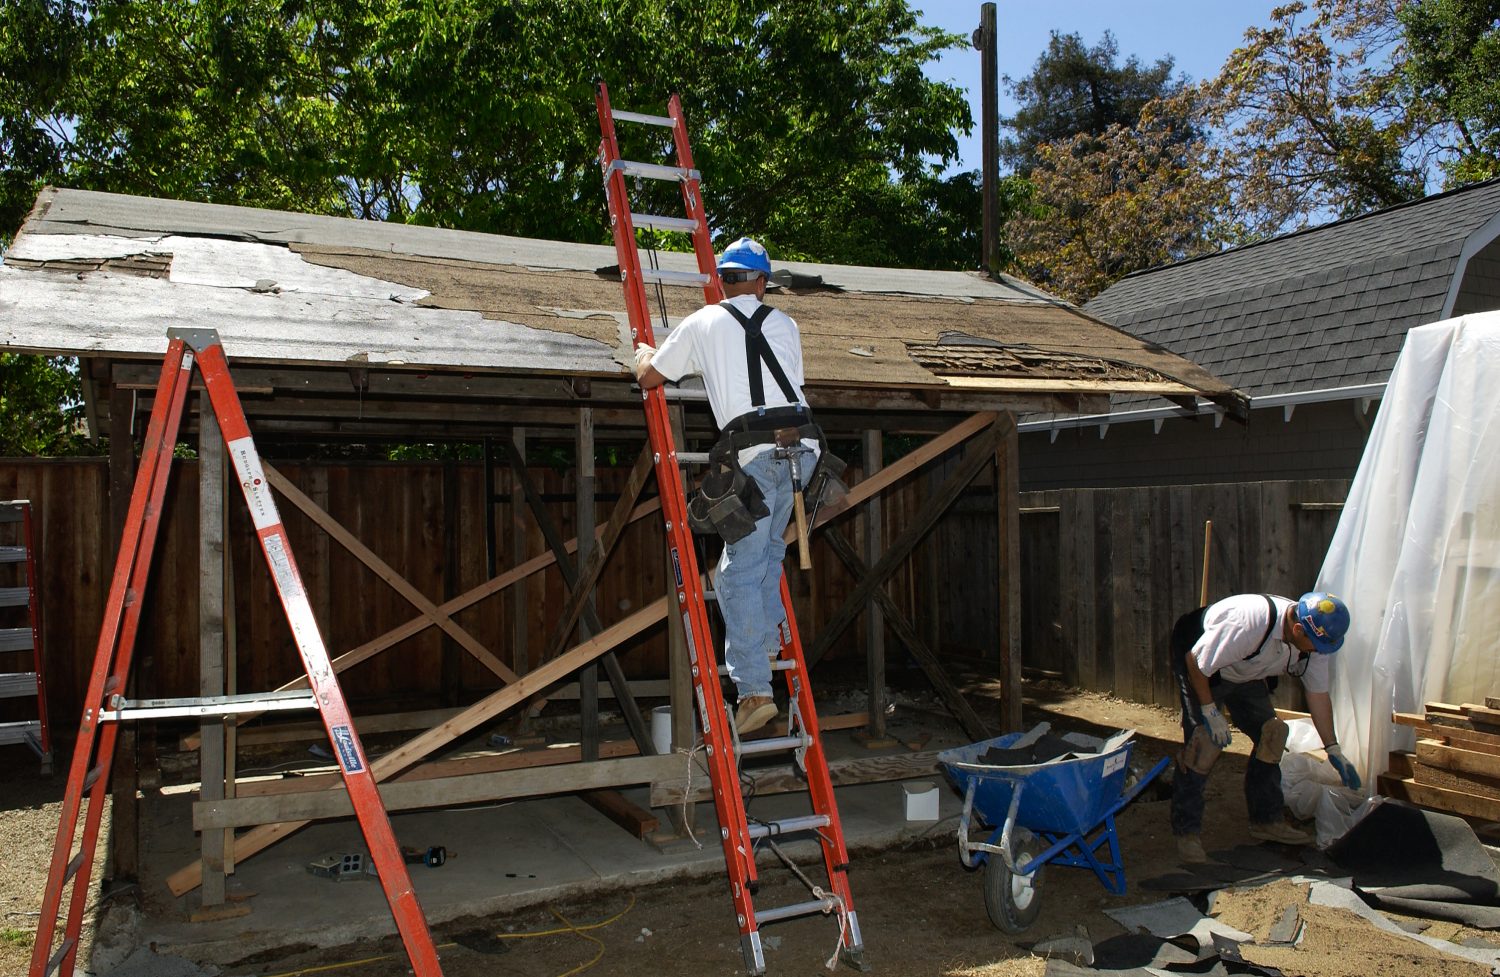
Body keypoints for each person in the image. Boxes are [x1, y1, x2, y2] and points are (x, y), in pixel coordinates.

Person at [633, 237, 817, 735]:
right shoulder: (785, 323)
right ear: (761, 283)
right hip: (804, 449)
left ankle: (755, 690)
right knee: (769, 555)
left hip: (754, 455)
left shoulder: (701, 322)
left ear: (720, 281)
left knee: (736, 574)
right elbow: (786, 387)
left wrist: (645, 352)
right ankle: (769, 638)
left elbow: (650, 377)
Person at [1170, 591, 1360, 864]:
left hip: (1246, 669)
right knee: (1203, 745)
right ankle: (1187, 833)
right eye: (1316, 645)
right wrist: (1210, 712)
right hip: (1202, 664)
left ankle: (1266, 820)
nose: (1319, 651)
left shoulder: (1315, 638)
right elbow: (1196, 662)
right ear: (1297, 629)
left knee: (1273, 733)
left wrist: (1334, 749)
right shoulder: (1249, 623)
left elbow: (1318, 695)